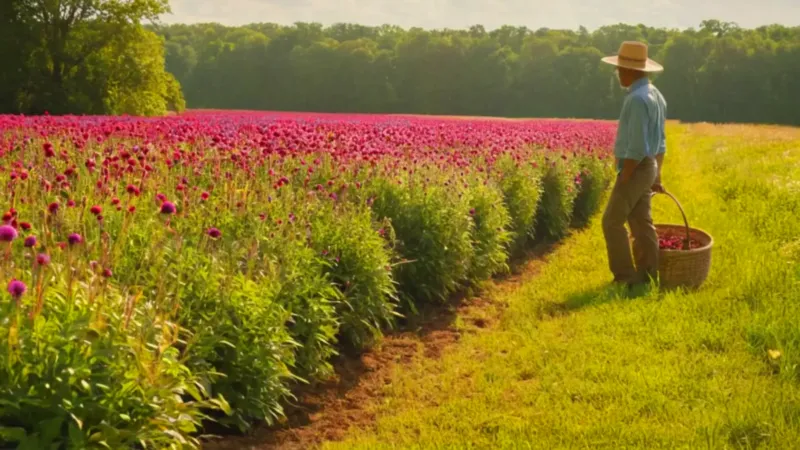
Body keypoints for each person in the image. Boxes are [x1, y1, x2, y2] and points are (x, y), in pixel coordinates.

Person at [600, 41, 667, 287]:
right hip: (648, 166)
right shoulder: (656, 95)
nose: (617, 73)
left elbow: (637, 146)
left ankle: (624, 276)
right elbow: (661, 142)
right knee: (640, 221)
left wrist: (625, 175)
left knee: (611, 221)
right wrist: (657, 175)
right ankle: (648, 274)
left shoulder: (637, 100)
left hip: (636, 167)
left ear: (630, 71)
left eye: (619, 69)